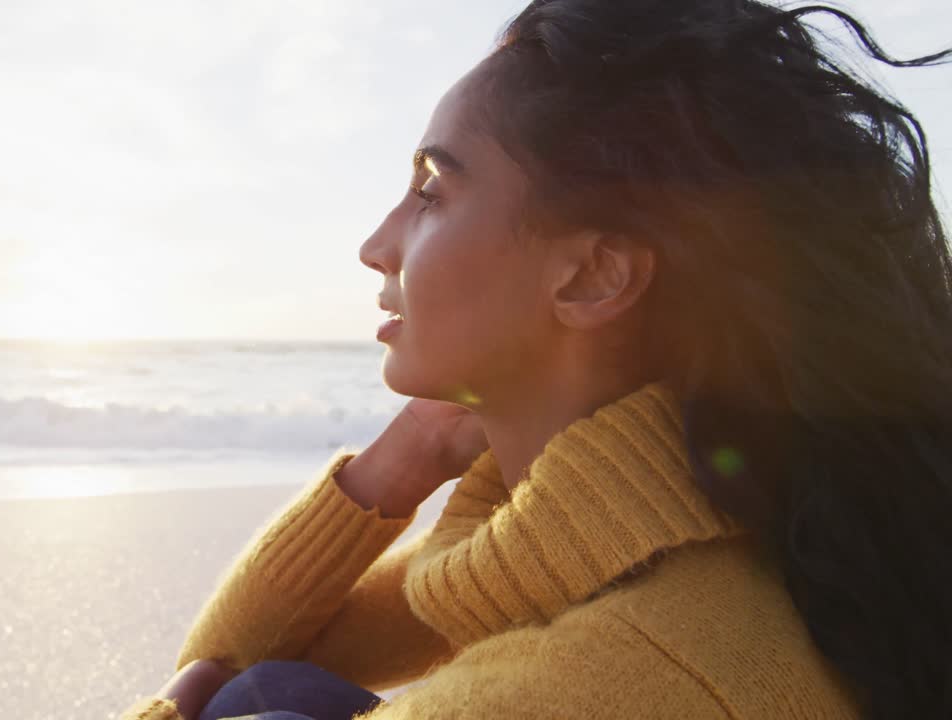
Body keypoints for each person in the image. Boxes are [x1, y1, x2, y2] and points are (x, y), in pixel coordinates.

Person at [120, 0, 952, 717]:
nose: (377, 246)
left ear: (594, 276)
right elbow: (234, 666)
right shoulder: (675, 512)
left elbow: (194, 683)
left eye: (432, 192)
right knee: (276, 694)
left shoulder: (601, 679)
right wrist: (400, 463)